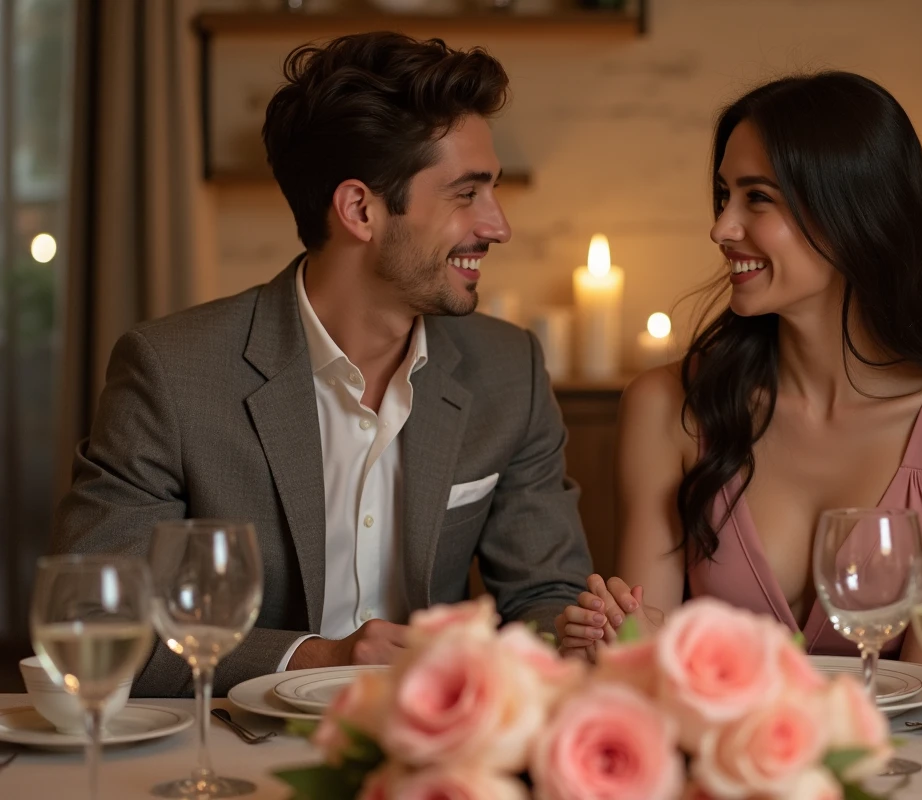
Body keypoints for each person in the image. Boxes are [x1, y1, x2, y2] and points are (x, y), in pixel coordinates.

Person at [54, 32, 592, 697]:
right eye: (465, 194)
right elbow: (94, 620)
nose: (498, 225)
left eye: (494, 191)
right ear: (360, 209)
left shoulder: (508, 369)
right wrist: (316, 657)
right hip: (230, 755)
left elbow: (545, 596)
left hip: (430, 752)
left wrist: (578, 630)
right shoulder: (171, 371)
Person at [555, 72, 922, 662]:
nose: (721, 228)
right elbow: (644, 660)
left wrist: (703, 665)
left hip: (909, 756)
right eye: (723, 195)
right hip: (722, 753)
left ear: (850, 212)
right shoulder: (668, 407)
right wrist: (616, 635)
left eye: (757, 198)